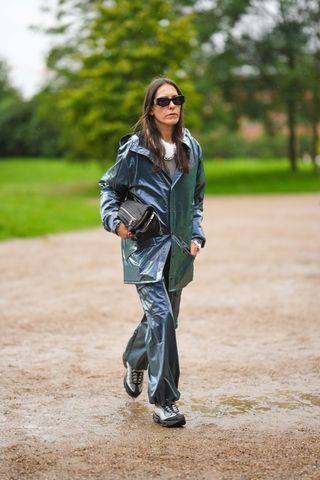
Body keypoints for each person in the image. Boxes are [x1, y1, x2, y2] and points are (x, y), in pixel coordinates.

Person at [99, 77, 205, 427]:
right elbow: (109, 189)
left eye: (177, 99)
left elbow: (196, 199)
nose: (172, 105)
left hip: (178, 252)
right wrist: (116, 223)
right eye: (163, 101)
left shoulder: (193, 148)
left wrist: (197, 235)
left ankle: (133, 359)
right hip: (144, 249)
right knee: (161, 318)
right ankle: (165, 402)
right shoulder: (135, 150)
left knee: (165, 320)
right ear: (151, 109)